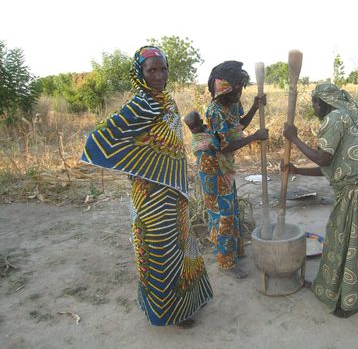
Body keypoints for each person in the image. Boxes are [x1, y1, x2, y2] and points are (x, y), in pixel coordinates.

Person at [81, 46, 213, 327]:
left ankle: (185, 305)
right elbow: (100, 139)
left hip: (172, 194)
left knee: (180, 248)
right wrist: (138, 162)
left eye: (162, 68)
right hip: (151, 195)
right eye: (151, 70)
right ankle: (171, 313)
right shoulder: (142, 104)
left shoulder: (165, 100)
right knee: (160, 253)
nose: (159, 75)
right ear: (140, 73)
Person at [282, 82, 358, 318]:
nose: (313, 106)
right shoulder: (347, 117)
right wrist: (297, 170)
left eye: (314, 102)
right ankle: (339, 290)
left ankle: (348, 303)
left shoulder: (335, 119)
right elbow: (332, 165)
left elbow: (322, 157)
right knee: (349, 241)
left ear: (323, 103)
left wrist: (294, 138)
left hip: (355, 191)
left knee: (346, 243)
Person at [198, 61, 268, 279]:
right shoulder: (214, 111)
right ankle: (225, 262)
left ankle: (234, 252)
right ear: (222, 90)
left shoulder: (232, 105)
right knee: (223, 213)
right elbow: (225, 144)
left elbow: (238, 127)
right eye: (235, 90)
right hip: (213, 166)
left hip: (224, 164)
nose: (239, 93)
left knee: (231, 208)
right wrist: (255, 138)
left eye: (240, 89)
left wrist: (255, 108)